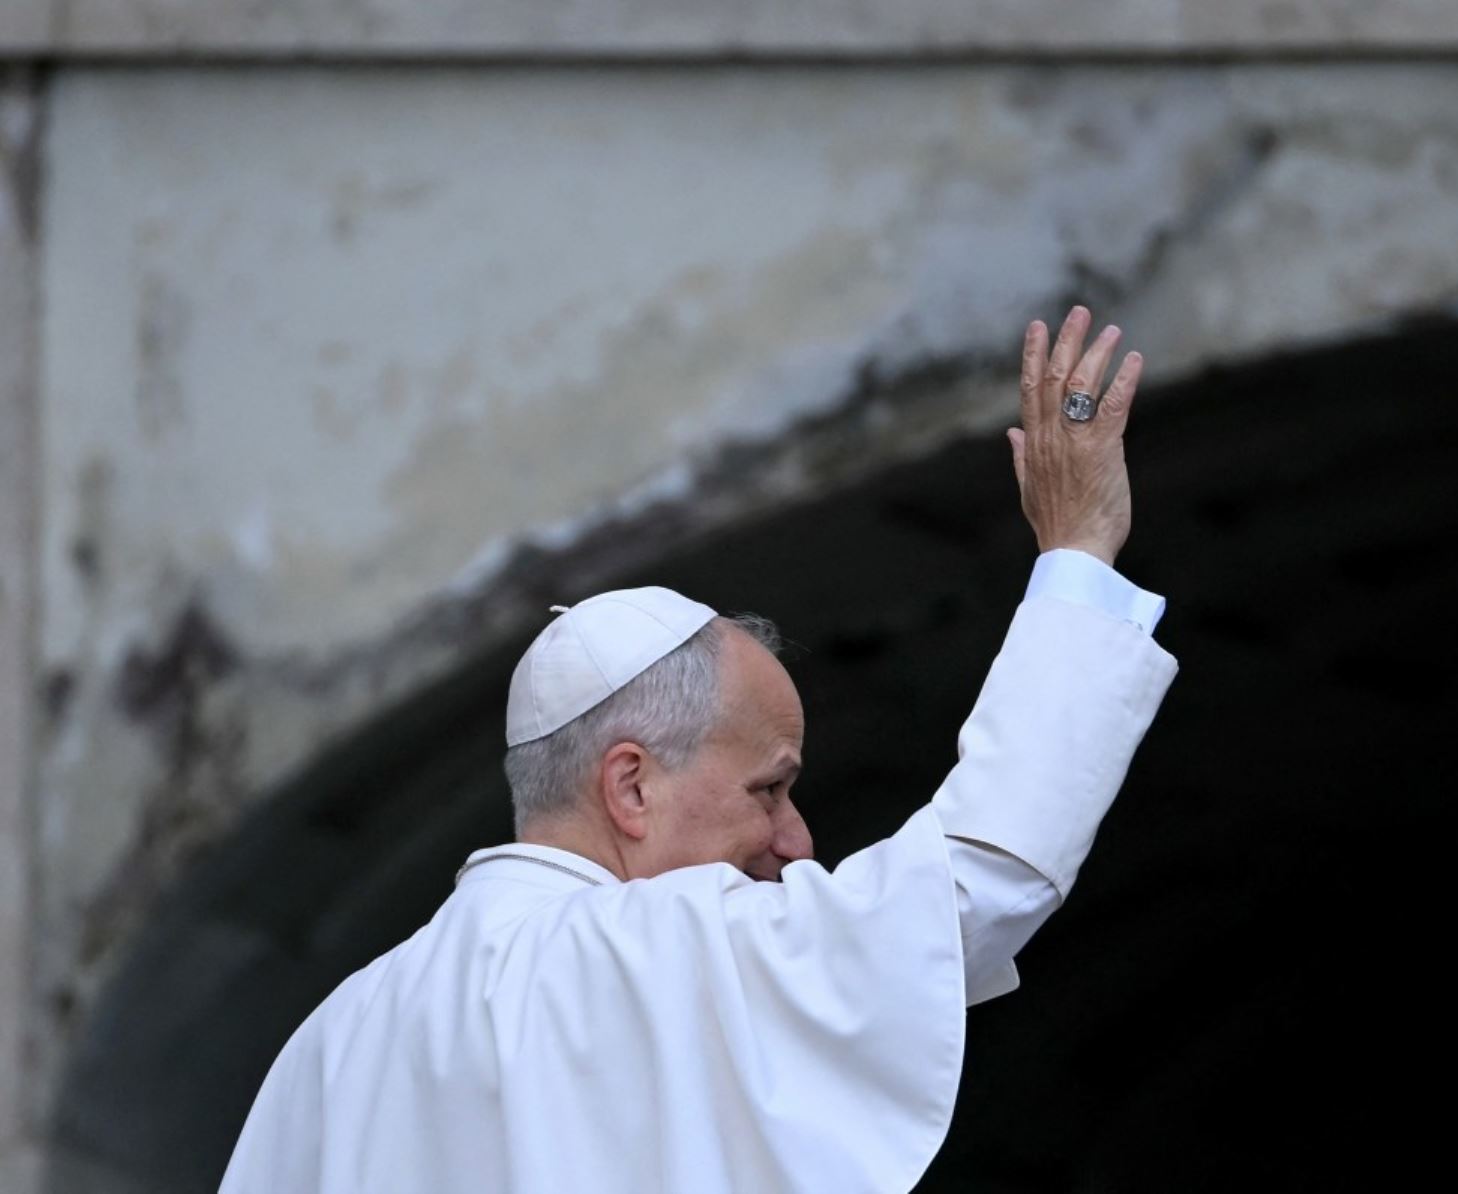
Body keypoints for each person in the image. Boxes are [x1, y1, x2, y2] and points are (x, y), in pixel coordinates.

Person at [220, 304, 1179, 1193]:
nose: (797, 841)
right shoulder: (663, 953)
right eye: (771, 790)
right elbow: (980, 876)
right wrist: (1079, 554)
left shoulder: (329, 1044)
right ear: (630, 787)